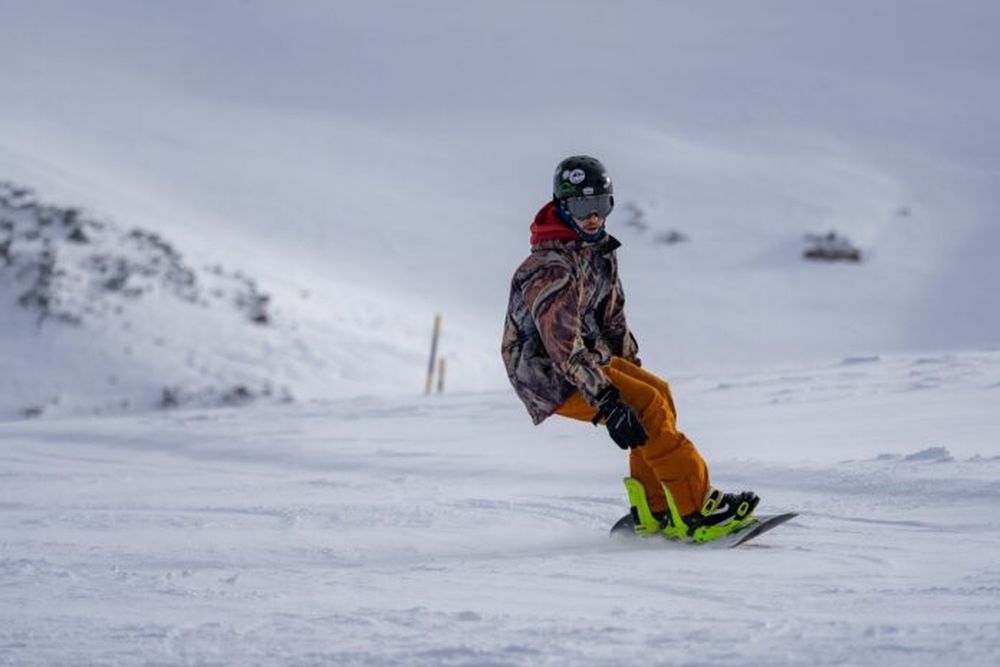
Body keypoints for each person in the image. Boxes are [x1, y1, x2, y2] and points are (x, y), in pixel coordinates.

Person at [501, 155, 759, 543]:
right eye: (582, 208)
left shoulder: (598, 252)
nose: (593, 218)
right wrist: (609, 400)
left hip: (587, 361)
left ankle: (656, 509)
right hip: (547, 372)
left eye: (601, 206)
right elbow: (562, 347)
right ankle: (696, 510)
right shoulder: (549, 267)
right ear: (561, 206)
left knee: (658, 396)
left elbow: (613, 321)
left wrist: (633, 372)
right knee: (643, 405)